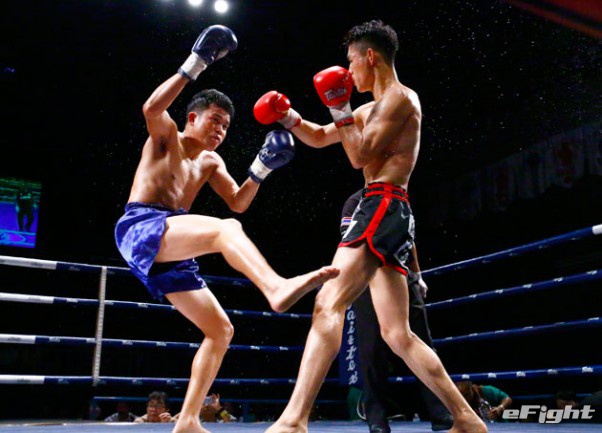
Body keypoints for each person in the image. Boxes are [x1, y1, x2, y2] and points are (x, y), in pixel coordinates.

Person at [254, 20, 487, 433]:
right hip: (388, 211)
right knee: (398, 334)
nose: (348, 71)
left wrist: (339, 107)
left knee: (328, 302)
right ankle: (466, 418)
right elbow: (321, 136)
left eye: (351, 61)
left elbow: (358, 156)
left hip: (382, 203)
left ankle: (293, 419)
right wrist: (287, 116)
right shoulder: (367, 110)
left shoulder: (401, 99)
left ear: (370, 56)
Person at [114, 25, 338, 433]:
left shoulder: (211, 162)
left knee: (220, 330)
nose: (220, 130)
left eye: (226, 126)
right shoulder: (167, 137)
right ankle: (276, 287)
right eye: (214, 120)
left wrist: (261, 169)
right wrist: (196, 63)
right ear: (192, 117)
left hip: (171, 238)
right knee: (226, 230)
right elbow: (151, 108)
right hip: (142, 225)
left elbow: (238, 200)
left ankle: (188, 419)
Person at [342, 189, 453, 432]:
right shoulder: (356, 202)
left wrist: (418, 275)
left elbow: (408, 242)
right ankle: (376, 419)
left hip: (403, 277)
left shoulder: (400, 200)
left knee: (423, 343)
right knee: (372, 350)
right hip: (369, 280)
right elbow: (350, 242)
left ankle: (441, 412)